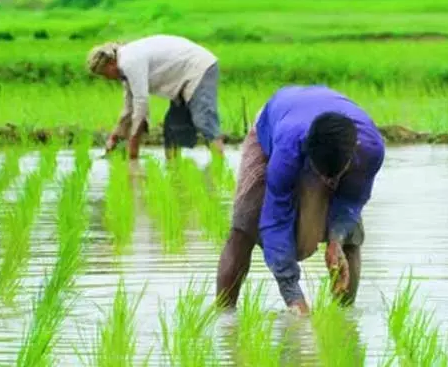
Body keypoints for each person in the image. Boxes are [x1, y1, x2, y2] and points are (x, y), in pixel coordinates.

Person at [215, 85, 385, 316]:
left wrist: (336, 237)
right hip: (274, 127)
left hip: (326, 132)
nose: (326, 183)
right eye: (320, 175)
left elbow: (352, 201)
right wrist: (293, 295)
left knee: (350, 240)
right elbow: (275, 220)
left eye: (333, 177)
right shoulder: (288, 148)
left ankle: (344, 319)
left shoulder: (371, 150)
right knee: (244, 225)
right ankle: (224, 318)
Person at [86, 34, 226, 160]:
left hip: (198, 68)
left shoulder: (129, 61)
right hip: (181, 77)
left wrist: (134, 143)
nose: (107, 78)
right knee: (172, 130)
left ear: (111, 63)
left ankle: (220, 164)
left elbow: (141, 103)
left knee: (204, 120)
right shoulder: (125, 68)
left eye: (105, 74)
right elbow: (129, 108)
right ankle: (174, 172)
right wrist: (115, 136)